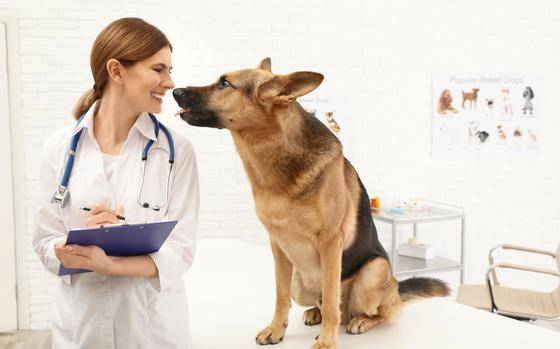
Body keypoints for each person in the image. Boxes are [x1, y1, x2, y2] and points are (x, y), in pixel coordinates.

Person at [32, 17, 199, 348]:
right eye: (159, 69)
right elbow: (44, 242)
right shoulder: (59, 147)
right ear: (117, 71)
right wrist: (71, 247)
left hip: (152, 330)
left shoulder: (176, 151)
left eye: (169, 70)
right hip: (82, 330)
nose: (170, 82)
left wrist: (110, 264)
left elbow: (181, 252)